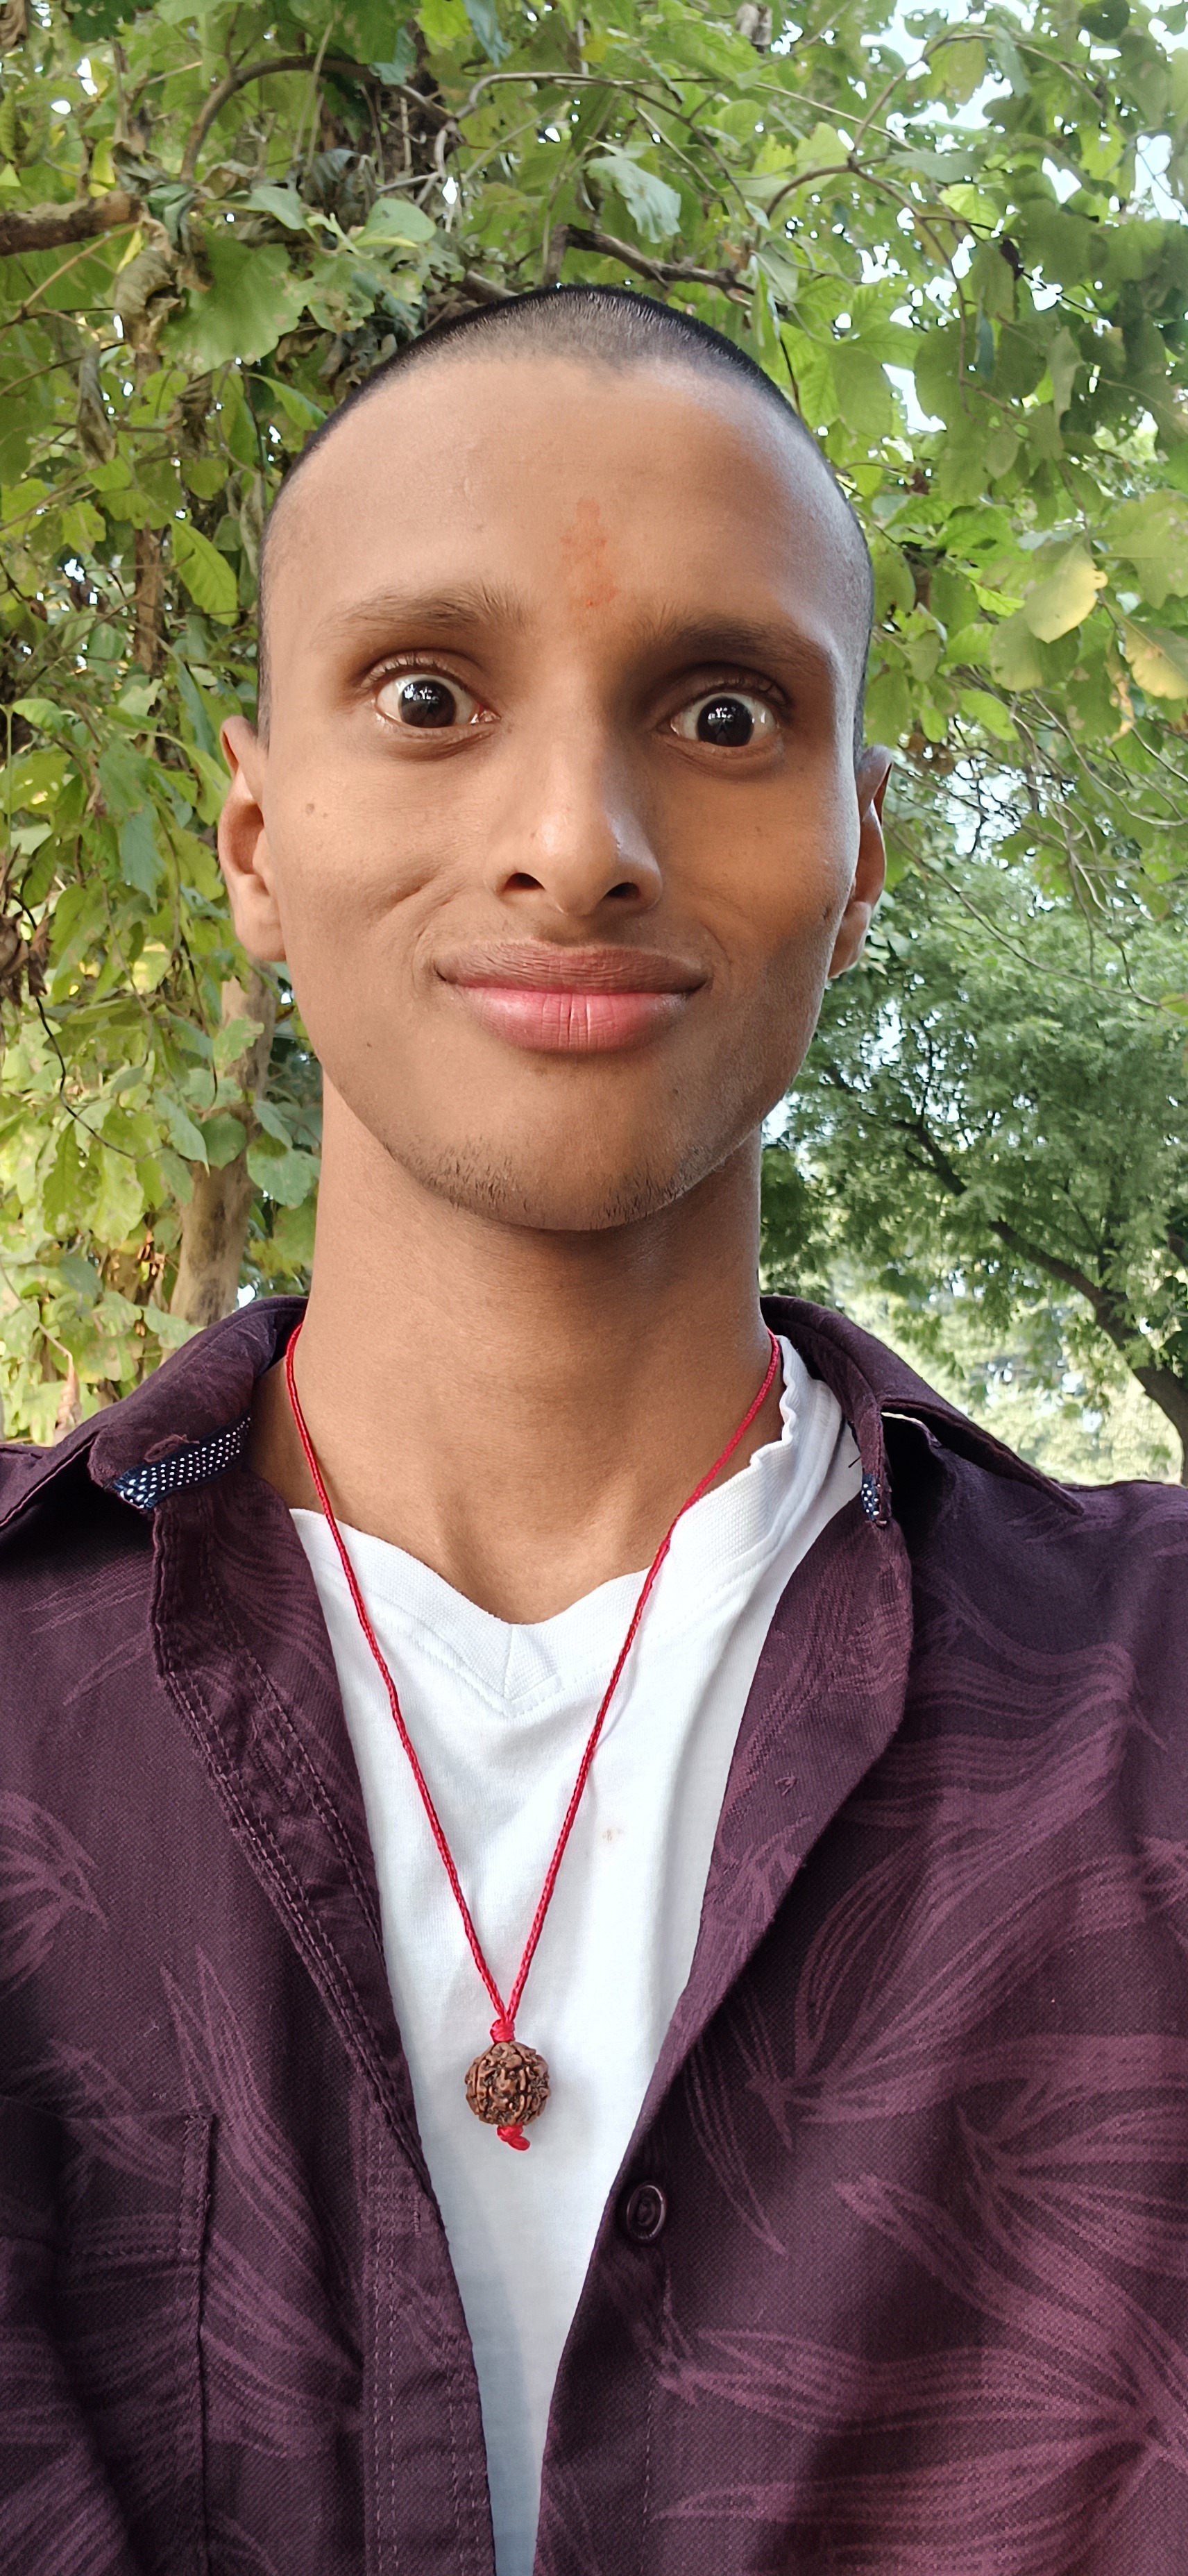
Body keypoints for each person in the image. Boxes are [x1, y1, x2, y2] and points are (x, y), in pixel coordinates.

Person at [1, 285, 1186, 2576]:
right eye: (427, 698)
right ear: (253, 835)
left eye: (724, 714)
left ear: (860, 851)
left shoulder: (1153, 1701)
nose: (577, 840)